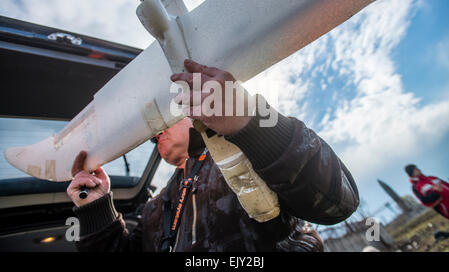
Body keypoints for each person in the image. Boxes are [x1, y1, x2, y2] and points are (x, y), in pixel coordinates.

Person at [67, 59, 360, 252]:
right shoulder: (154, 209)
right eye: (152, 130)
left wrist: (250, 122)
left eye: (164, 116)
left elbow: (337, 204)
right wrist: (96, 210)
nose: (155, 131)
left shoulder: (247, 155)